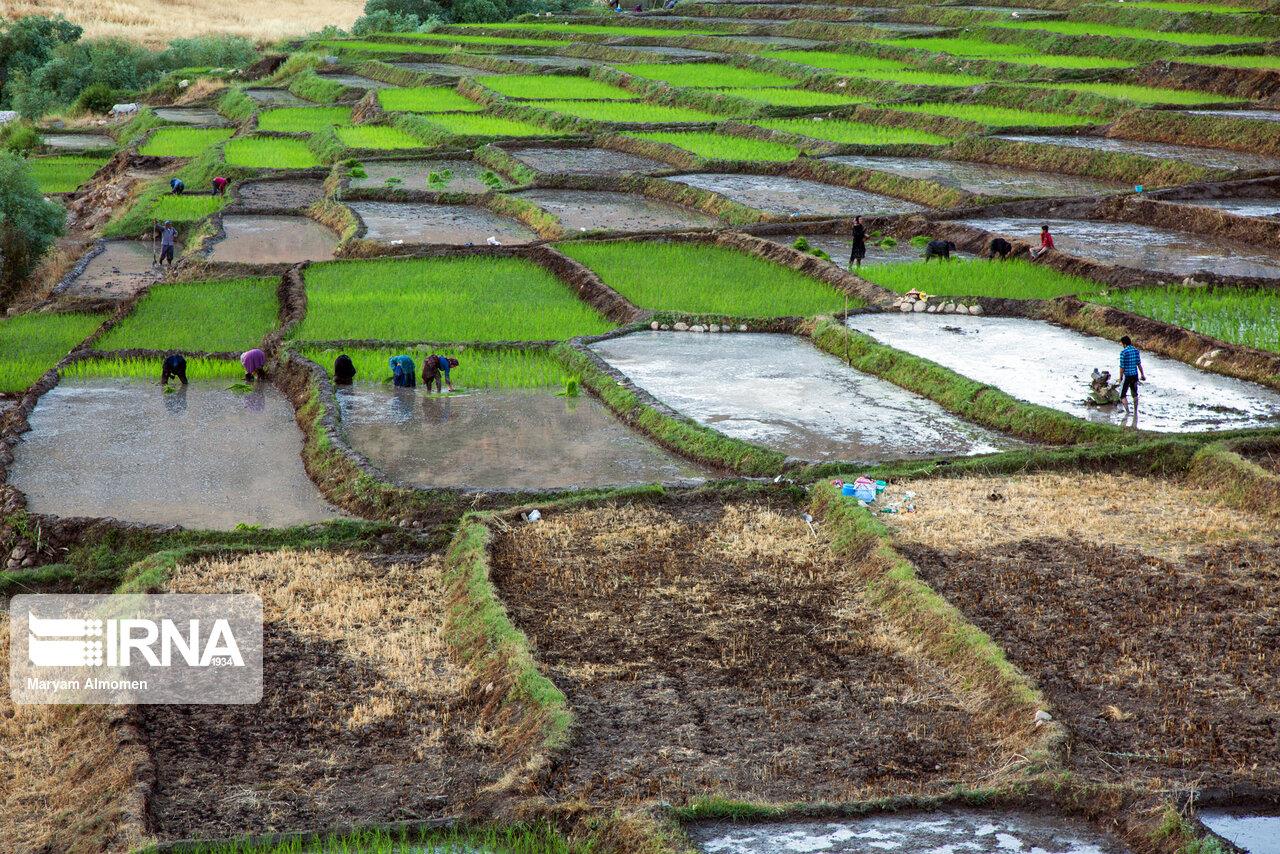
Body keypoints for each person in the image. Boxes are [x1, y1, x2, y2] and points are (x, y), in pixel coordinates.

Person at [1118, 335, 1145, 413]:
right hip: (1135, 375)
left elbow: (1122, 367)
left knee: (1122, 395)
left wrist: (1120, 377)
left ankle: (1127, 412)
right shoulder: (1136, 350)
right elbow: (1139, 364)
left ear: (1124, 344)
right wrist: (1142, 374)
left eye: (1122, 344)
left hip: (1127, 376)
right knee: (1134, 394)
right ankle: (1135, 412)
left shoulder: (1123, 352)